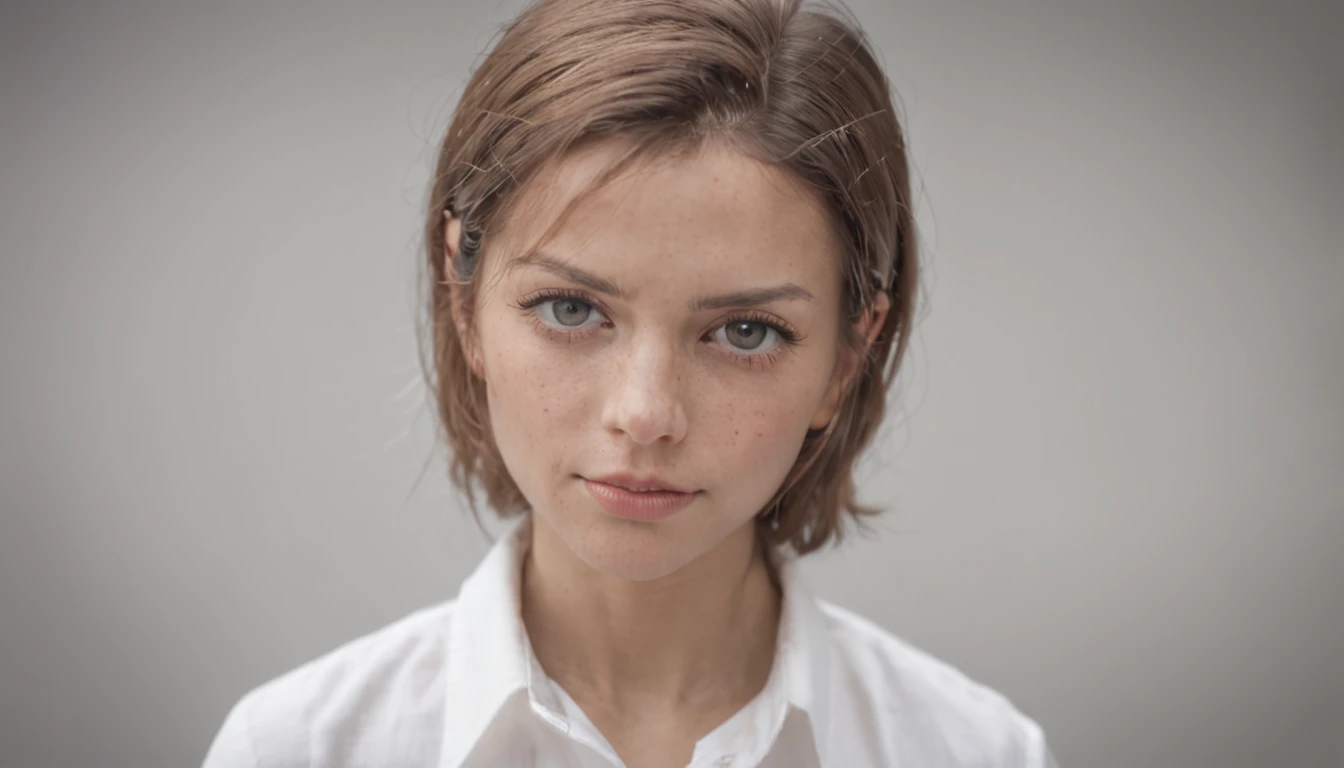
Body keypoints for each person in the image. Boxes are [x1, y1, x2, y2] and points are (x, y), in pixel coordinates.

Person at [203, 0, 1058, 765]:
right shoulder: (295, 750)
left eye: (744, 331)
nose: (645, 415)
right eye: (571, 310)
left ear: (847, 354)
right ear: (463, 303)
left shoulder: (977, 752)